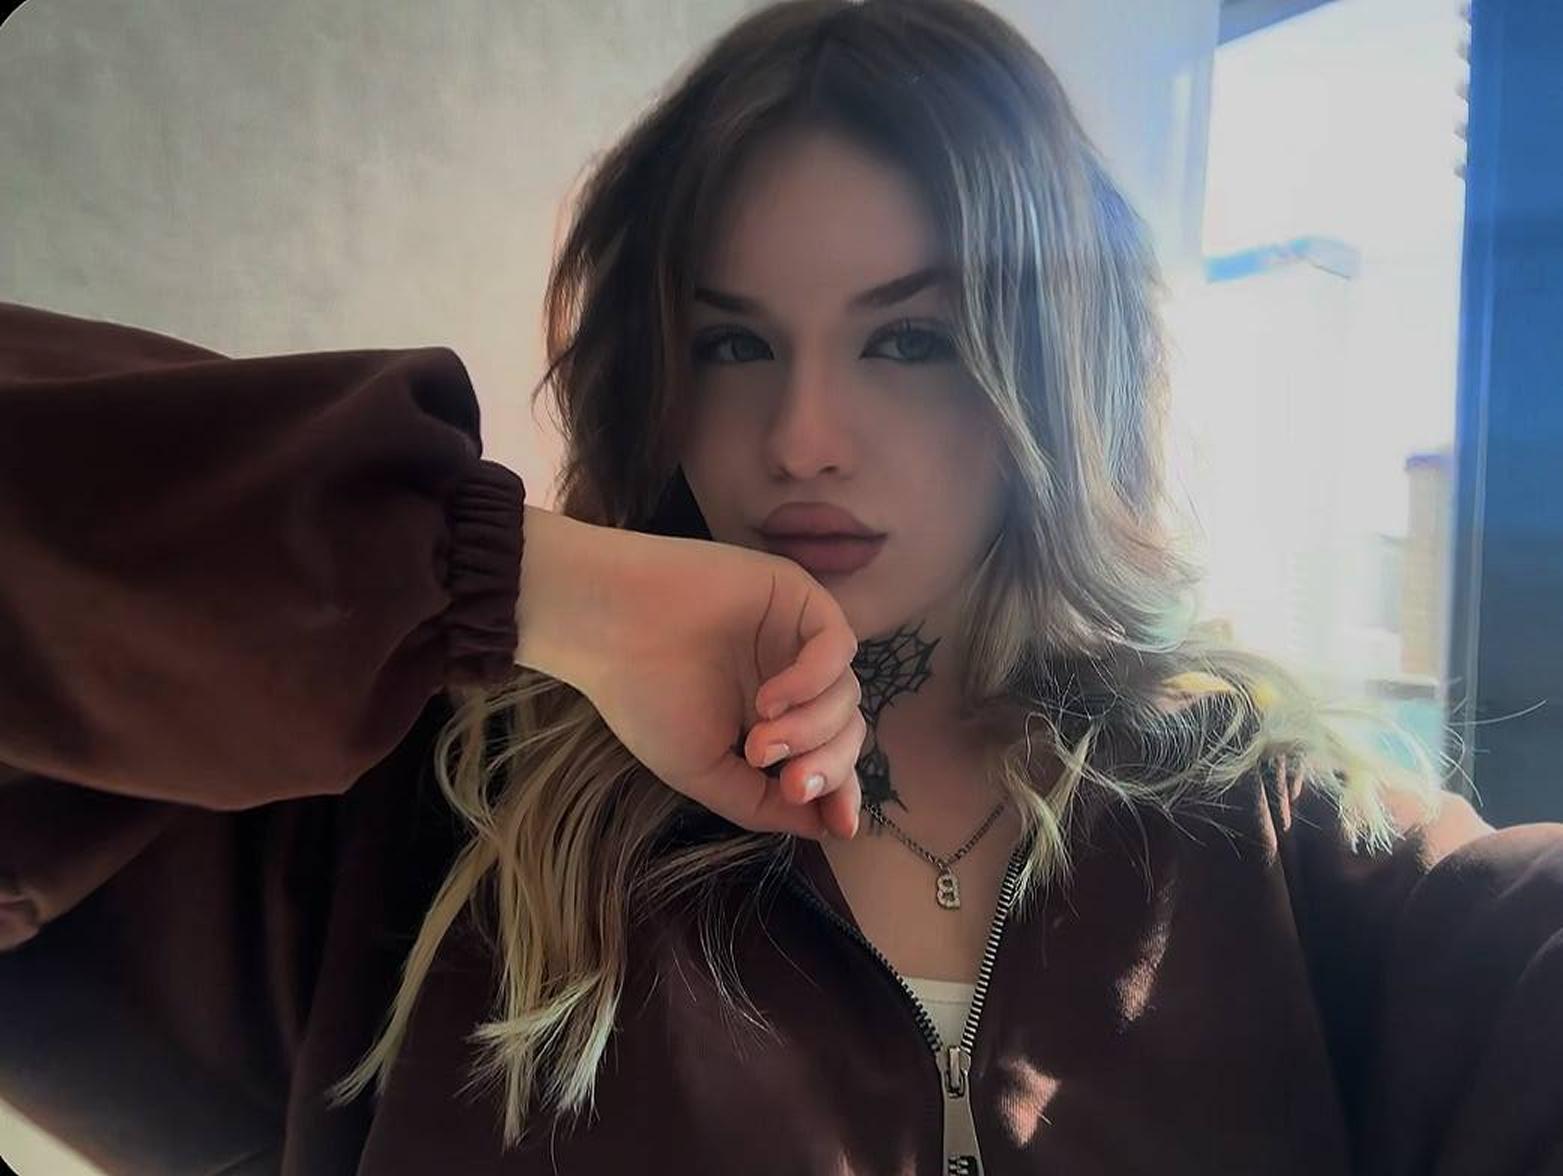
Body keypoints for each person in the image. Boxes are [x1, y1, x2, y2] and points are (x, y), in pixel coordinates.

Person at [2, 0, 1560, 1173]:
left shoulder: (1280, 841)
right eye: (734, 343)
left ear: (1053, 372)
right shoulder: (437, 818)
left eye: (911, 338)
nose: (804, 436)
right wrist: (521, 581)